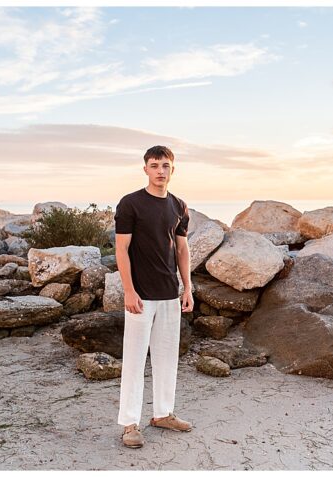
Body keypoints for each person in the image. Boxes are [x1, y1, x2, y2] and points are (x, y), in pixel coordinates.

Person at [114, 145, 195, 449]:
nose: (160, 171)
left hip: (169, 294)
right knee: (134, 362)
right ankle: (130, 424)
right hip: (141, 296)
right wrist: (129, 290)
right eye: (154, 165)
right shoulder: (131, 204)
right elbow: (121, 250)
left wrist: (187, 288)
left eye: (166, 165)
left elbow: (182, 249)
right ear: (145, 169)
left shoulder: (179, 206)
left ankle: (163, 414)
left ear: (173, 170)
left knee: (166, 358)